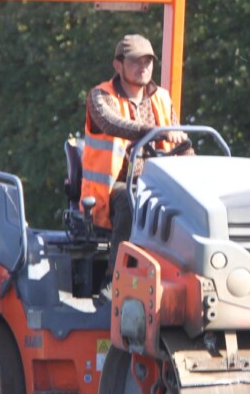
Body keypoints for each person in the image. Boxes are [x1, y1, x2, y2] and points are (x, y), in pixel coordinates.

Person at [81, 34, 190, 304]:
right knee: (132, 202)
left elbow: (182, 142)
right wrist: (151, 132)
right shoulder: (100, 97)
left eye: (148, 61)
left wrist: (193, 162)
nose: (143, 67)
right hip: (115, 185)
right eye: (135, 61)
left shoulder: (162, 99)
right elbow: (112, 124)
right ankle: (114, 279)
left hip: (157, 183)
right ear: (118, 65)